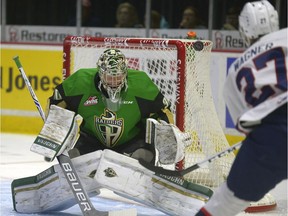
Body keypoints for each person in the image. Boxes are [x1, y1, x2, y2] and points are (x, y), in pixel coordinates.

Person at [196, 1, 287, 215]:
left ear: (244, 29)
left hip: (270, 142)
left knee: (221, 205)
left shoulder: (234, 72)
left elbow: (247, 126)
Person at [47, 48, 174, 163]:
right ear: (100, 73)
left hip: (132, 143)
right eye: (109, 77)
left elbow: (163, 111)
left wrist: (168, 136)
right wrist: (54, 130)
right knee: (74, 157)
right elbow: (57, 103)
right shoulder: (80, 81)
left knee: (143, 156)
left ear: (125, 73)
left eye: (118, 76)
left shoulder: (141, 84)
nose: (114, 82)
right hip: (91, 141)